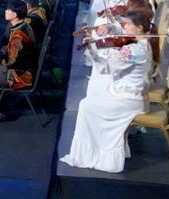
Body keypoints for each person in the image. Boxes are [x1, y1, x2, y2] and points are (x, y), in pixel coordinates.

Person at [59, 12, 153, 172]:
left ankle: (96, 156)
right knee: (92, 99)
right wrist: (96, 48)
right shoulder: (138, 44)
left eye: (128, 24)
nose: (124, 27)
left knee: (86, 105)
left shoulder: (136, 50)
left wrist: (94, 48)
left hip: (129, 100)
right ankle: (97, 150)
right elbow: (109, 65)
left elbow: (108, 67)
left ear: (139, 28)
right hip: (128, 94)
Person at [0, 0, 41, 114]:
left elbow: (11, 62)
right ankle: (1, 100)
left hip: (20, 75)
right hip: (24, 68)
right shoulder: (23, 26)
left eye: (8, 10)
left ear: (15, 14)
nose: (5, 11)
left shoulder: (18, 35)